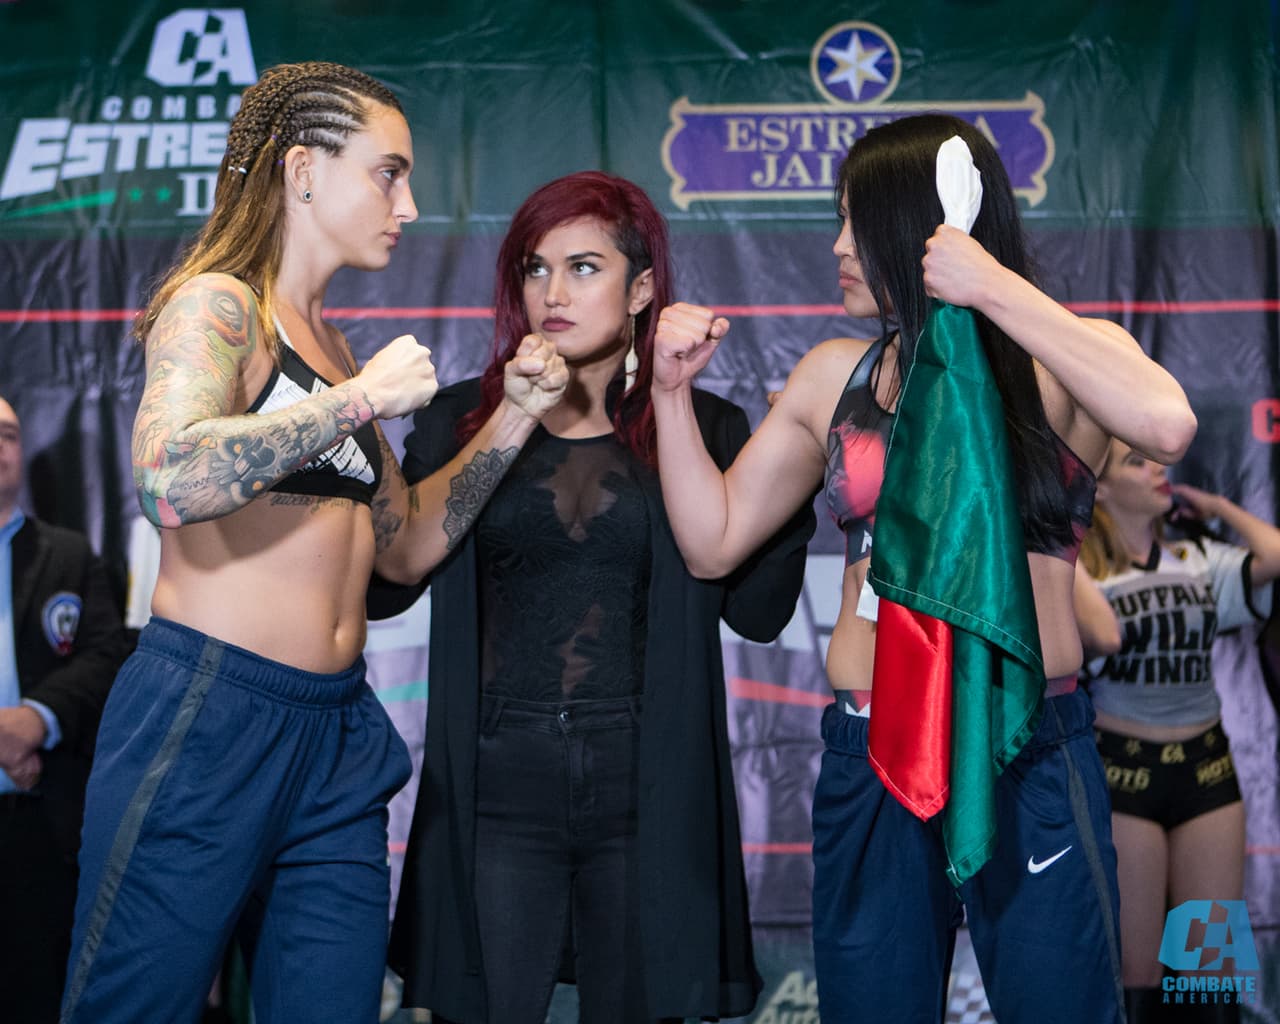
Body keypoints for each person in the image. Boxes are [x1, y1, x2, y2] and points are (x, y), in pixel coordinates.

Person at [649, 114, 1198, 1024]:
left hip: (1026, 742)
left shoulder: (1057, 360)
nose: (836, 248)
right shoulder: (836, 374)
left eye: (855, 222)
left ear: (923, 226)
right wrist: (670, 393)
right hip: (871, 749)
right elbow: (713, 538)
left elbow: (1167, 422)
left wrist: (990, 287)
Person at [372, 170, 814, 1024]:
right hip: (496, 785)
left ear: (642, 287)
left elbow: (759, 614)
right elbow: (391, 584)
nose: (552, 294)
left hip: (647, 789)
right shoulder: (461, 421)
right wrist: (502, 428)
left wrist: (792, 476)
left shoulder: (705, 425)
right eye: (535, 269)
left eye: (583, 268)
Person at [60, 61, 450, 1024]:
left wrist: (519, 416)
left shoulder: (334, 342)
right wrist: (357, 403)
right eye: (388, 173)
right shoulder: (217, 305)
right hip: (209, 715)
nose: (409, 202)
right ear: (304, 170)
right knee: (132, 1008)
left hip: (336, 732)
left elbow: (399, 552)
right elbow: (169, 477)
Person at [1076, 444, 1280, 1023]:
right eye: (1136, 463)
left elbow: (1275, 554)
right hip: (1124, 773)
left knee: (1210, 972)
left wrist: (1216, 505)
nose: (1157, 469)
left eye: (1156, 460)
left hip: (1206, 771)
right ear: (1103, 488)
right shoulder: (1083, 571)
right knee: (1134, 973)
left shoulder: (1196, 558)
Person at [0, 397, 130, 1023]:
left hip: (43, 822)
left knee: (41, 994)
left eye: (8, 434)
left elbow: (108, 655)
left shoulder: (68, 555)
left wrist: (36, 719)